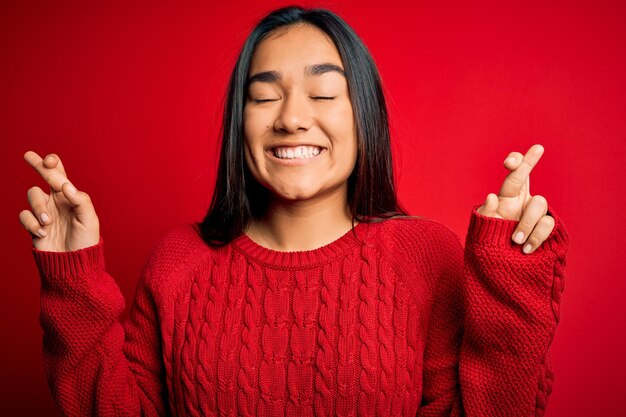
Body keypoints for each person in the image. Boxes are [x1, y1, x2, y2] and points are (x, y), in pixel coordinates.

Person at [20, 5, 570, 417]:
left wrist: (509, 285)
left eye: (324, 93)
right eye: (264, 97)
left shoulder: (426, 254)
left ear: (364, 117)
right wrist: (74, 281)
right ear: (241, 122)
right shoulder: (178, 260)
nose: (292, 118)